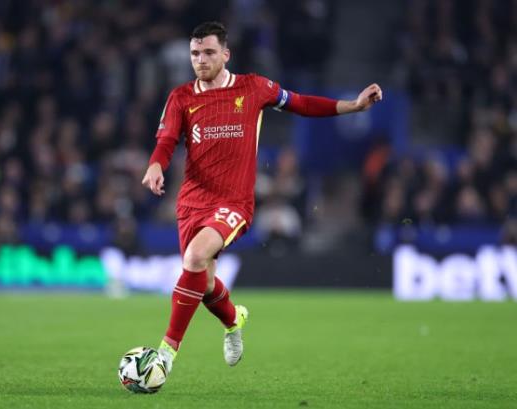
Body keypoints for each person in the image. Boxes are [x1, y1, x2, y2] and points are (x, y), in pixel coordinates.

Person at [141, 21, 383, 377]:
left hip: (234, 202)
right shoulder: (181, 97)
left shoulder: (253, 88)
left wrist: (353, 106)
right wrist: (155, 166)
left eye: (208, 52)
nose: (201, 60)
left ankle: (166, 353)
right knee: (204, 284)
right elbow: (166, 141)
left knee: (194, 257)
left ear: (226, 54)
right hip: (192, 202)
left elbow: (299, 102)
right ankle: (233, 319)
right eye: (195, 54)